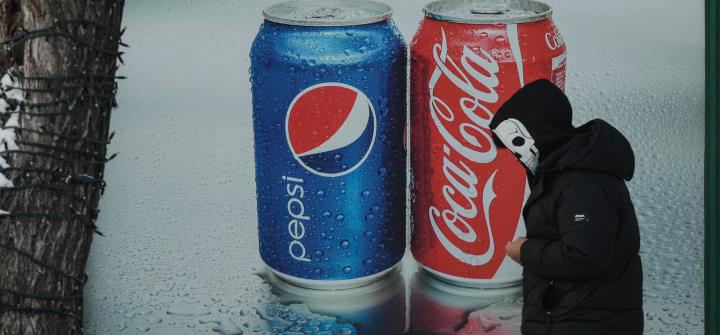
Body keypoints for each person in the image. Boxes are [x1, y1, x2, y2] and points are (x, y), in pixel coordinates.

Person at [489, 79, 643, 335]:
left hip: (585, 323)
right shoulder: (566, 174)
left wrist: (525, 251)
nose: (518, 157)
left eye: (517, 144)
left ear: (539, 131)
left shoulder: (581, 181)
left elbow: (587, 256)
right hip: (570, 319)